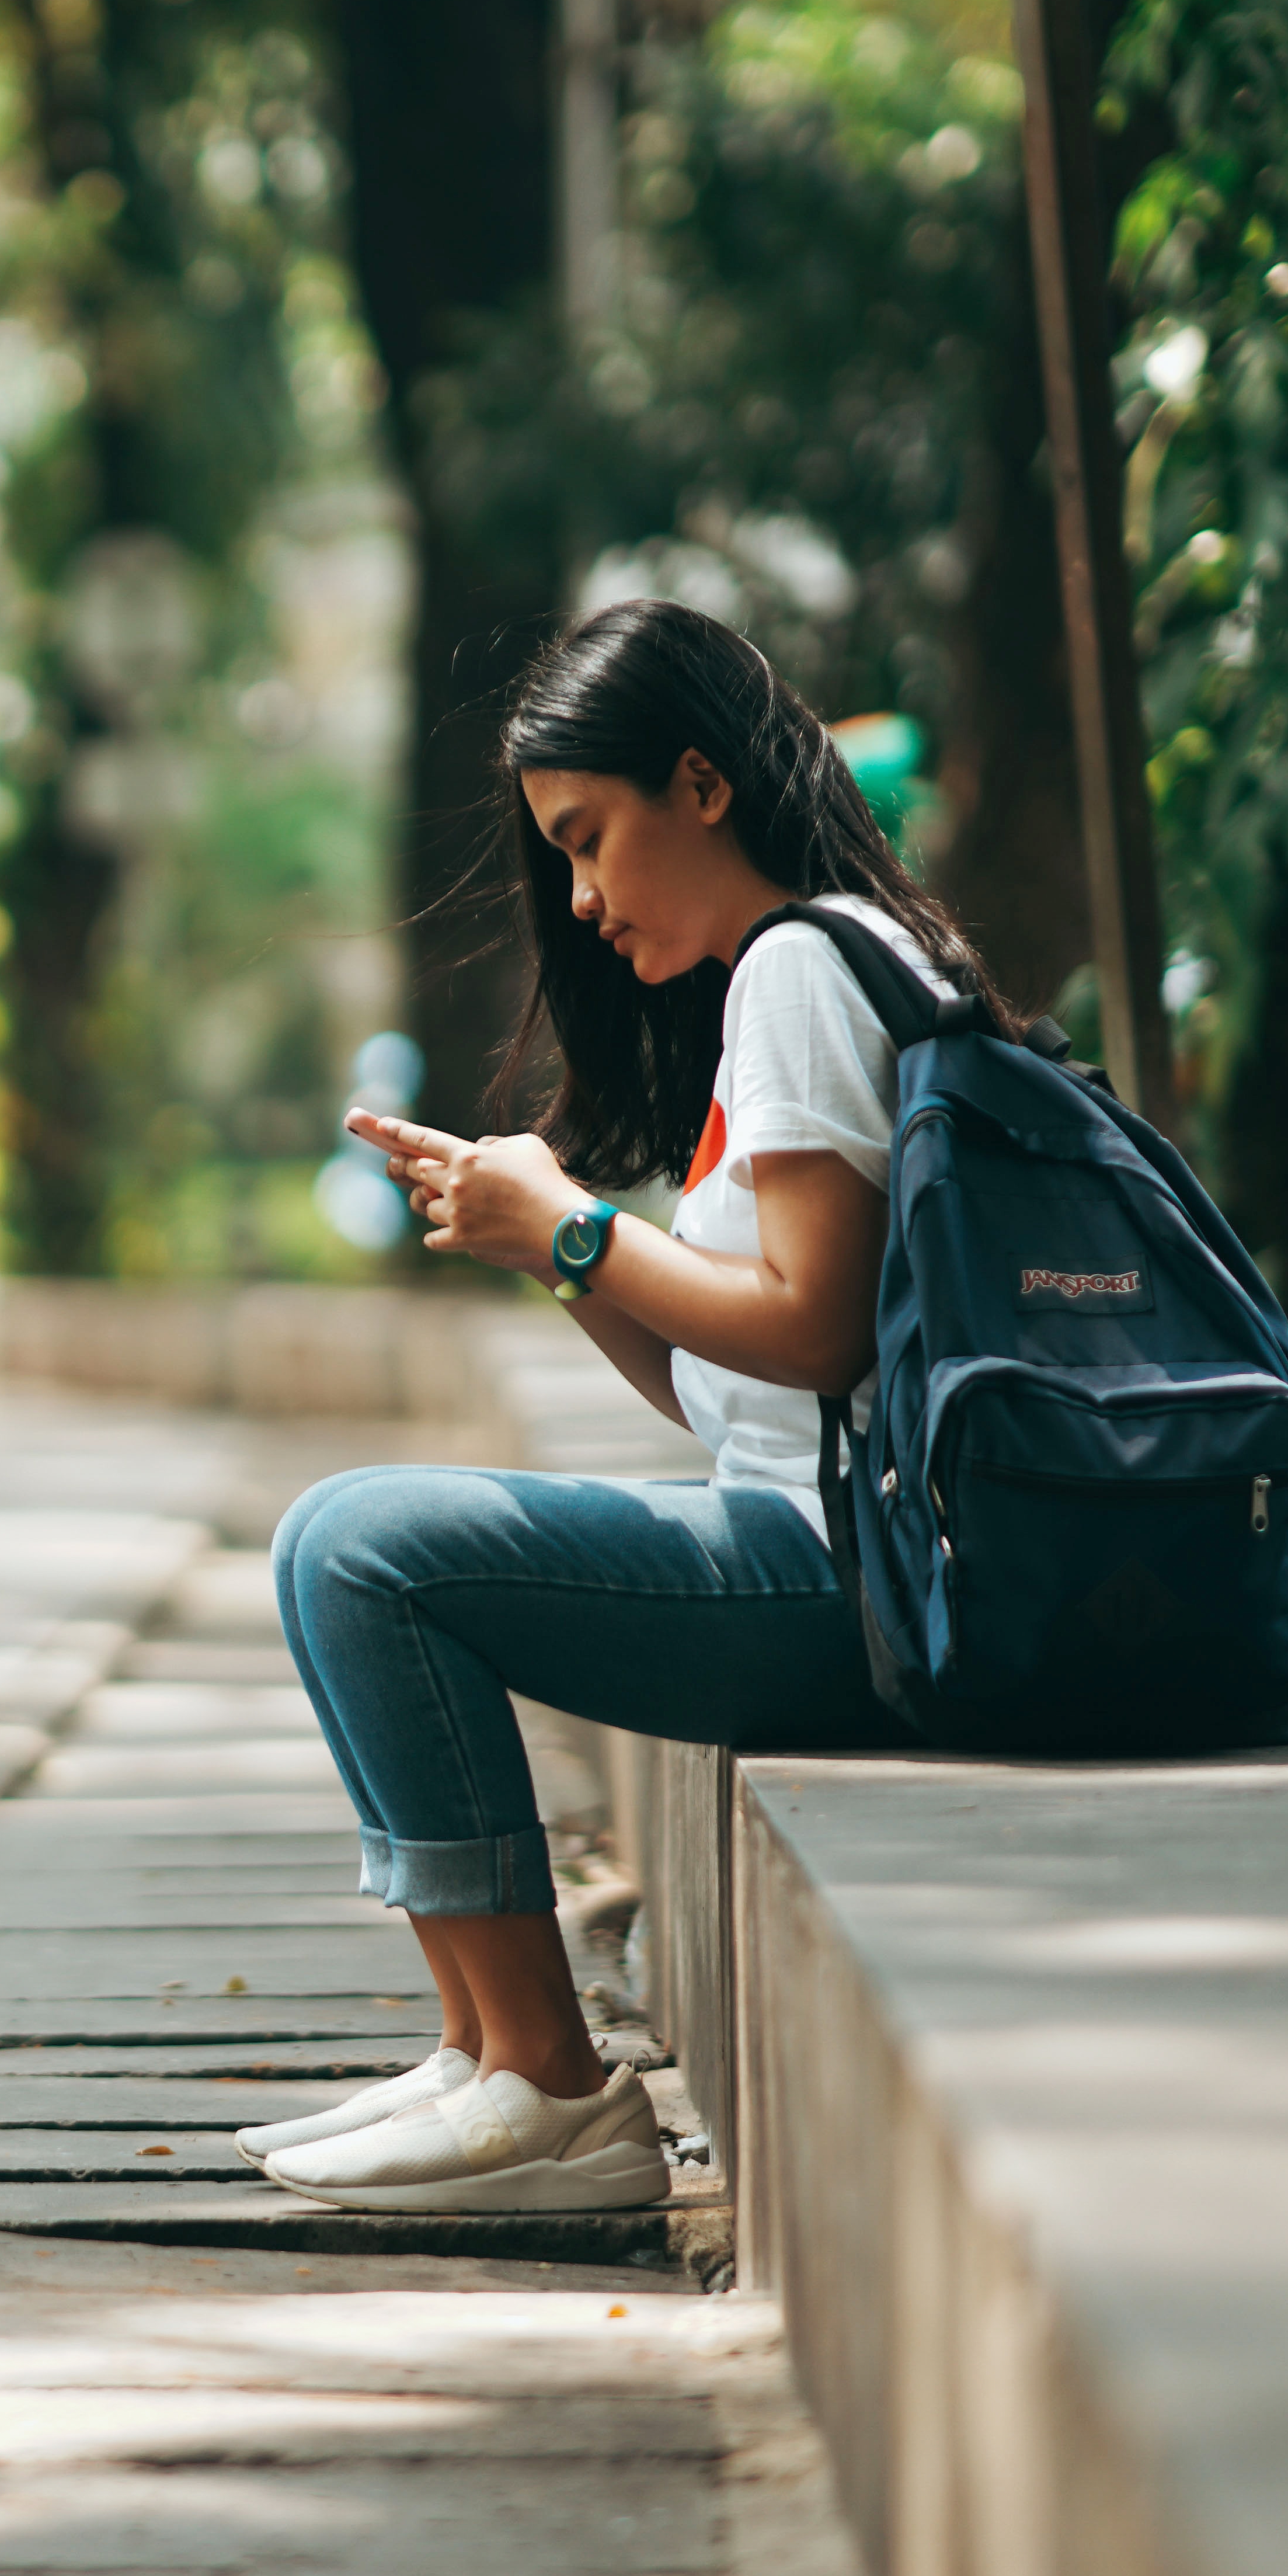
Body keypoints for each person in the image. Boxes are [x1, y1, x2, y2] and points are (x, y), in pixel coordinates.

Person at [245, 599, 1006, 2213]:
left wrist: (582, 1228)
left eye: (591, 842)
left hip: (851, 1583)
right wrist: (559, 1257)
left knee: (360, 1550)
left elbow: (808, 1332)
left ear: (703, 785)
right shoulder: (821, 968)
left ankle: (548, 2087)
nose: (581, 901)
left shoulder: (803, 969)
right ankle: (483, 2057)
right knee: (337, 1539)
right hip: (833, 1550)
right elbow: (743, 1384)